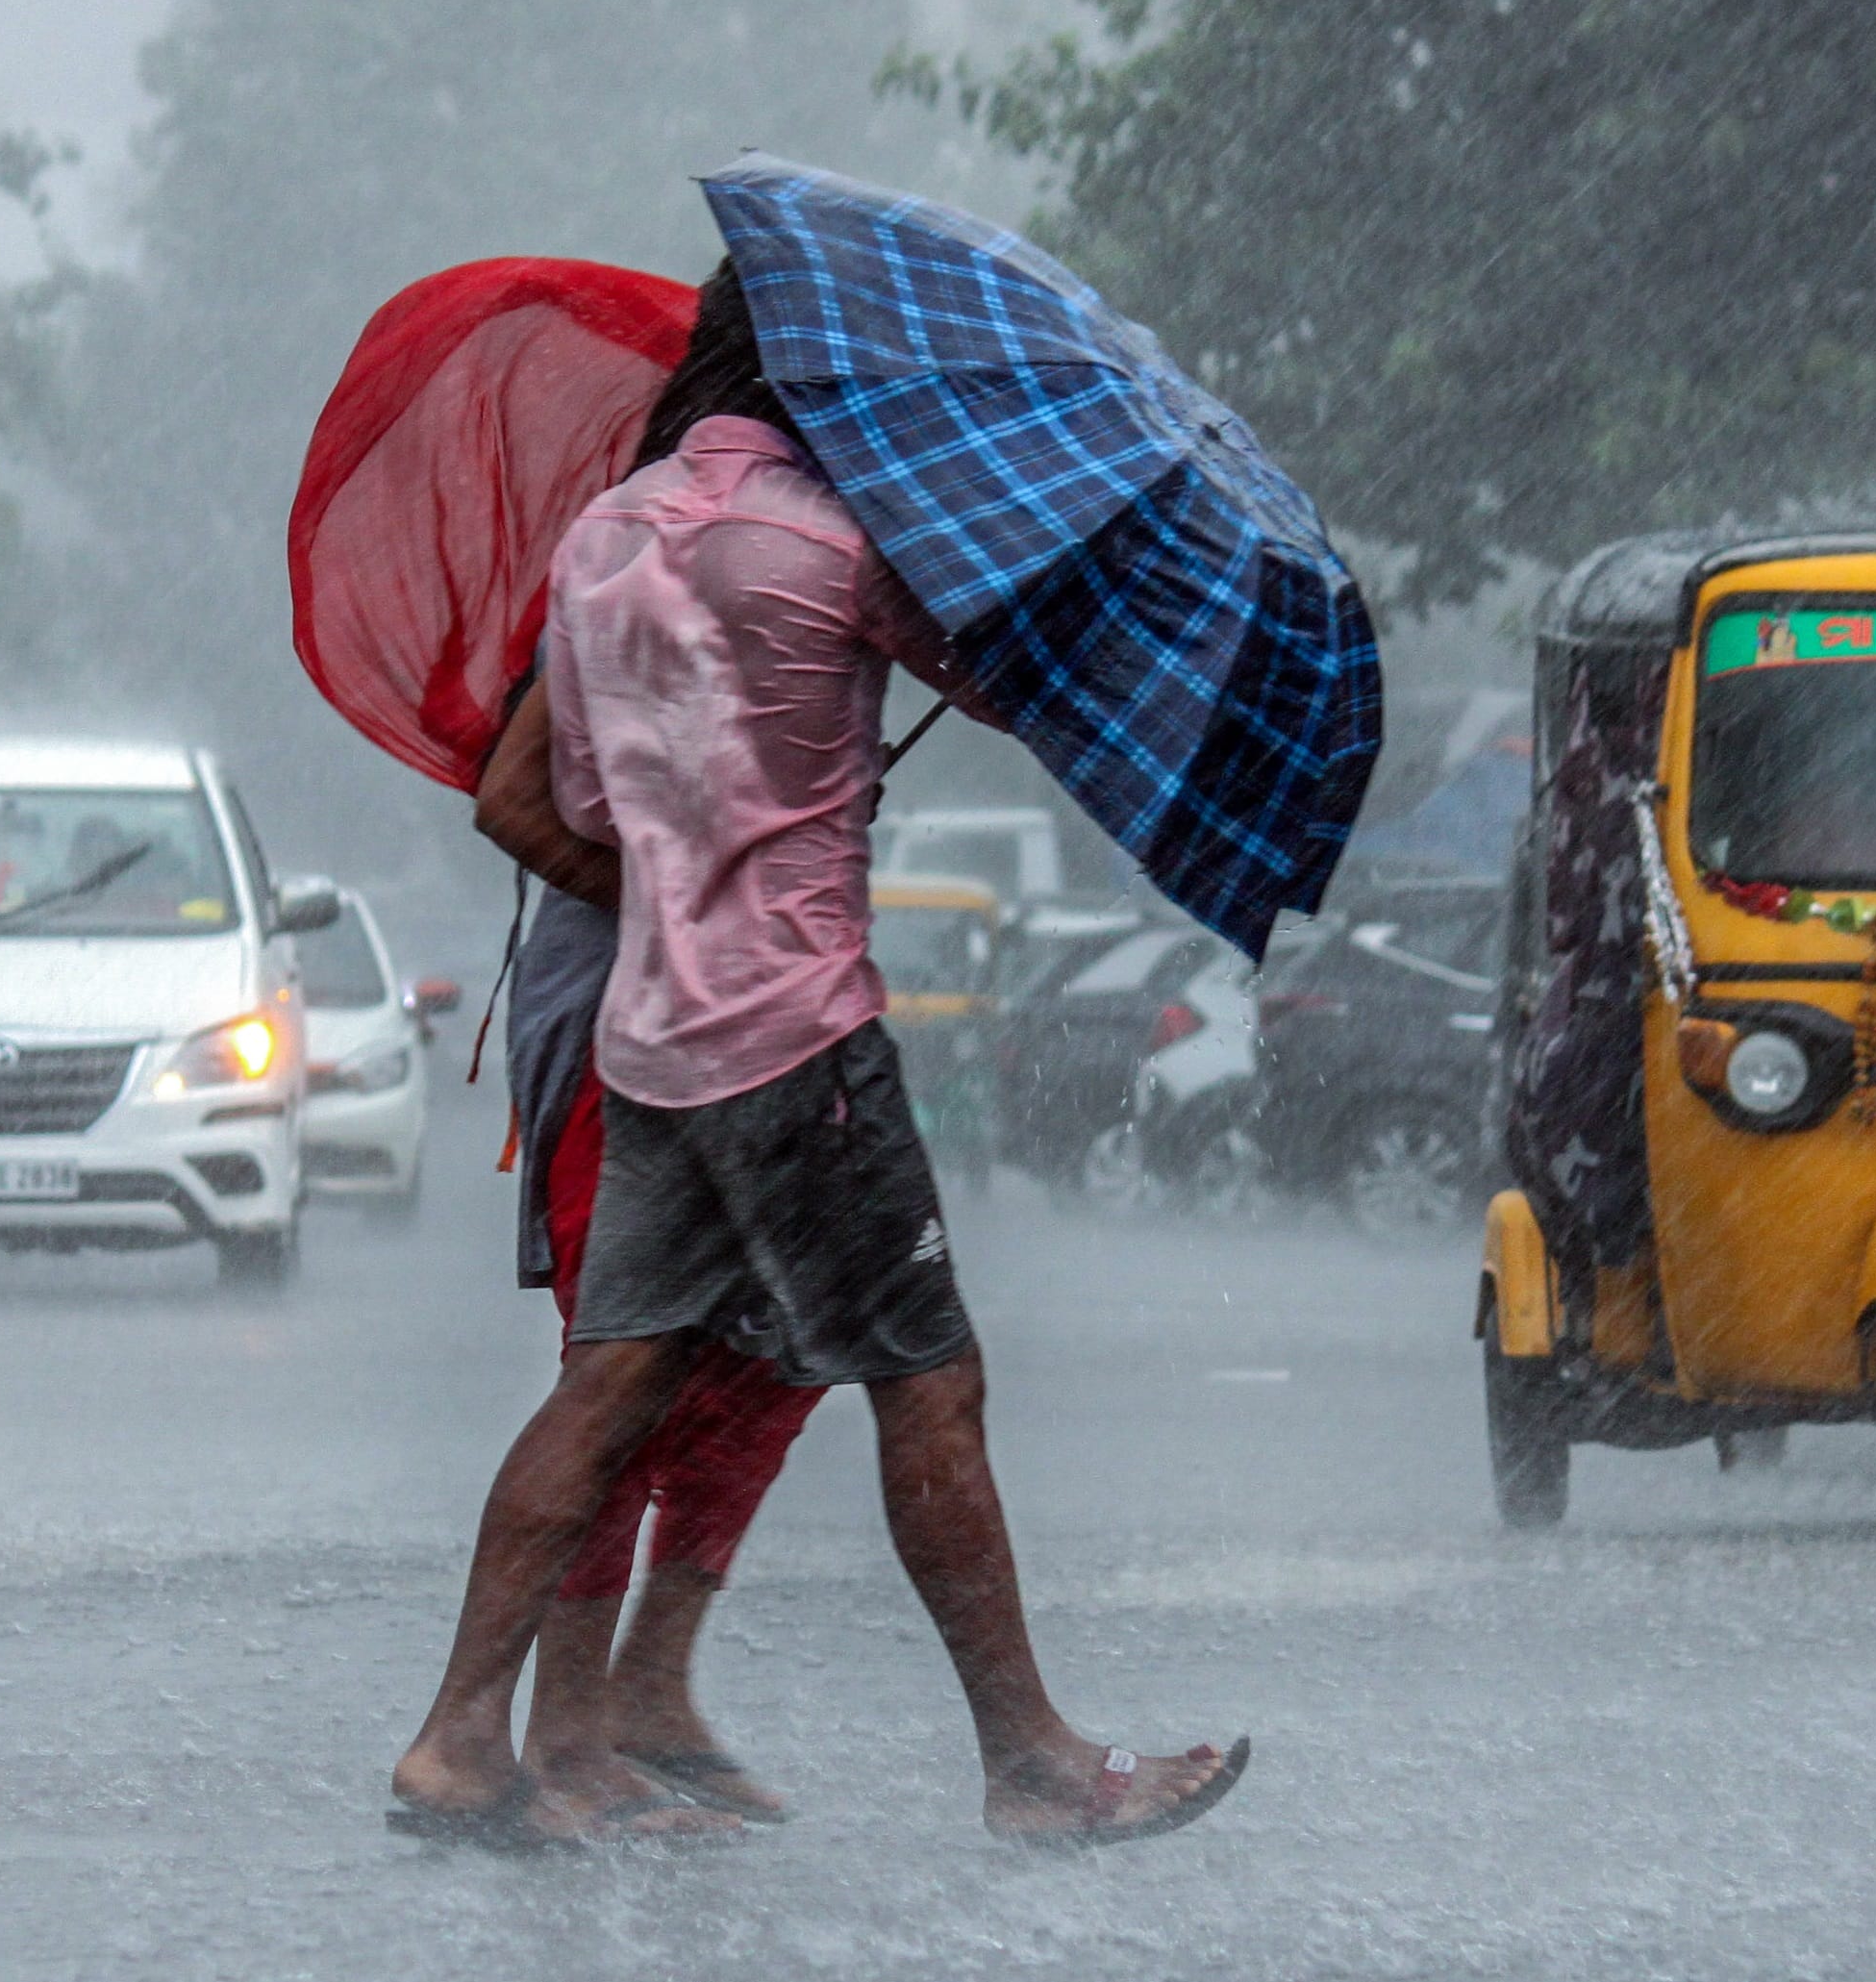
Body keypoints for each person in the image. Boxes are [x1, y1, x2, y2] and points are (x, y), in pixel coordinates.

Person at [390, 263, 1248, 1847]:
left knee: (604, 1392)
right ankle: (1038, 1765)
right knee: (930, 1387)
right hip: (799, 1038)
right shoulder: (837, 545)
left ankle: (456, 1741)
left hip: (651, 1038)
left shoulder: (601, 542)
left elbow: (578, 800)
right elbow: (1017, 686)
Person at [452, 676, 822, 1841]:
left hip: (760, 1020)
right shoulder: (619, 571)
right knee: (622, 1370)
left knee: (779, 1355)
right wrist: (677, 900)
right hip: (623, 1030)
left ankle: (649, 1685)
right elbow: (513, 802)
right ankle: (561, 1734)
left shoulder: (792, 582)